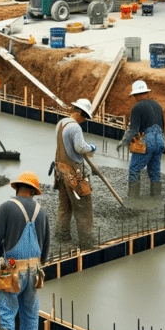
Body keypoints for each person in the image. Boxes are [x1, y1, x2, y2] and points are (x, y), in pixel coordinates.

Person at [0, 171, 49, 330]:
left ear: (17, 188)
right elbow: (46, 246)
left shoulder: (7, 207)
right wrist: (39, 267)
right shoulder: (42, 212)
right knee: (30, 313)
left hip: (12, 269)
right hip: (35, 270)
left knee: (7, 311)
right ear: (33, 191)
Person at [54, 99, 97, 250]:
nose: (84, 120)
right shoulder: (75, 128)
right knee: (83, 209)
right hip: (74, 175)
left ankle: (62, 235)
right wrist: (91, 147)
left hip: (60, 171)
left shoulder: (61, 124)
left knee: (64, 206)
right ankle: (87, 243)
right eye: (85, 116)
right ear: (80, 112)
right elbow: (79, 147)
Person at [116, 80, 165, 200]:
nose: (134, 98)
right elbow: (163, 125)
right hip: (161, 140)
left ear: (138, 95)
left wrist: (124, 141)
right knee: (154, 171)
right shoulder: (157, 105)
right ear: (146, 92)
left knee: (134, 169)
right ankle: (156, 197)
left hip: (147, 139)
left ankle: (133, 199)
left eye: (134, 96)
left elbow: (133, 129)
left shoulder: (137, 108)